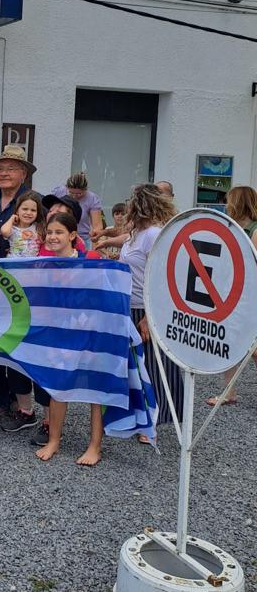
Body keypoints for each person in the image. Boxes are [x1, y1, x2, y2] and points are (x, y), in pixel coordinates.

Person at [32, 211, 105, 465]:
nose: (53, 237)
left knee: (95, 390)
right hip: (60, 333)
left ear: (73, 235)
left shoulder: (91, 258)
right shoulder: (44, 265)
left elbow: (105, 292)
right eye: (50, 232)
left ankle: (95, 446)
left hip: (90, 331)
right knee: (58, 386)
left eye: (59, 232)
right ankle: (54, 440)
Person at [0, 146, 37, 427]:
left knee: (17, 341)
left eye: (10, 168)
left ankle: (20, 402)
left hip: (21, 285)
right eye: (0, 168)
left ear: (23, 173)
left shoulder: (33, 200)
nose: (3, 173)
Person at [119, 182, 180, 433]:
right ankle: (142, 416)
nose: (128, 206)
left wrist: (148, 316)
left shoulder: (154, 234)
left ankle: (157, 419)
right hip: (130, 305)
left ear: (140, 204)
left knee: (155, 367)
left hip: (146, 309)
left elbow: (163, 276)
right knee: (137, 367)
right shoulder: (136, 233)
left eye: (131, 202)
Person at [206, 186, 257, 406]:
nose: (226, 204)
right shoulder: (232, 227)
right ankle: (229, 392)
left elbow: (251, 266)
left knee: (252, 347)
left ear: (238, 203)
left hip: (249, 296)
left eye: (229, 200)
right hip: (232, 293)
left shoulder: (254, 230)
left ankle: (229, 392)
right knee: (229, 341)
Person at [49, 171, 103, 248]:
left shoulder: (92, 198)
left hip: (82, 236)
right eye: (71, 193)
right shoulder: (59, 191)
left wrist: (94, 235)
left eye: (79, 194)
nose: (74, 196)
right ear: (66, 187)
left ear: (86, 189)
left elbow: (97, 226)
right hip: (59, 234)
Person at [0, 191, 45, 256]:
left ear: (37, 213)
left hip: (33, 262)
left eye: (33, 210)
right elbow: (4, 232)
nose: (29, 213)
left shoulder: (38, 227)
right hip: (14, 261)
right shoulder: (12, 228)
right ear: (17, 211)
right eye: (25, 209)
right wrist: (12, 218)